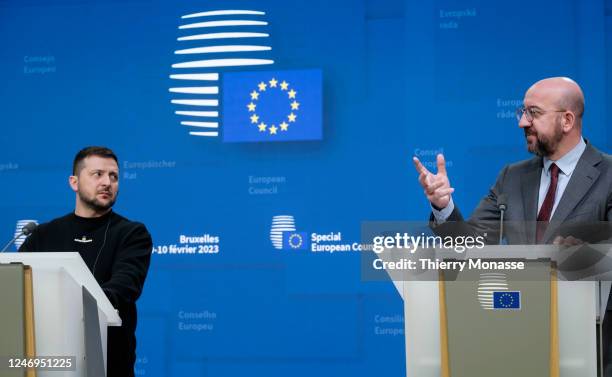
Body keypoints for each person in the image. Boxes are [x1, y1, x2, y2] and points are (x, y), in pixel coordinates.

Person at [412, 77, 612, 374]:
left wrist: (585, 257)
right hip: (516, 341)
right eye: (522, 112)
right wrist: (443, 207)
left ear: (567, 120)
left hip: (591, 348)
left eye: (533, 113)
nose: (522, 122)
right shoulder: (512, 177)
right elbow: (471, 244)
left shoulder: (607, 175)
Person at [19, 146, 152, 377]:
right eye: (97, 174)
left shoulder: (132, 234)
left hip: (108, 364)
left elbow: (124, 287)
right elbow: (16, 288)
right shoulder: (42, 235)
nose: (107, 182)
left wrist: (73, 306)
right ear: (74, 182)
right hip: (45, 363)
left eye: (114, 177)